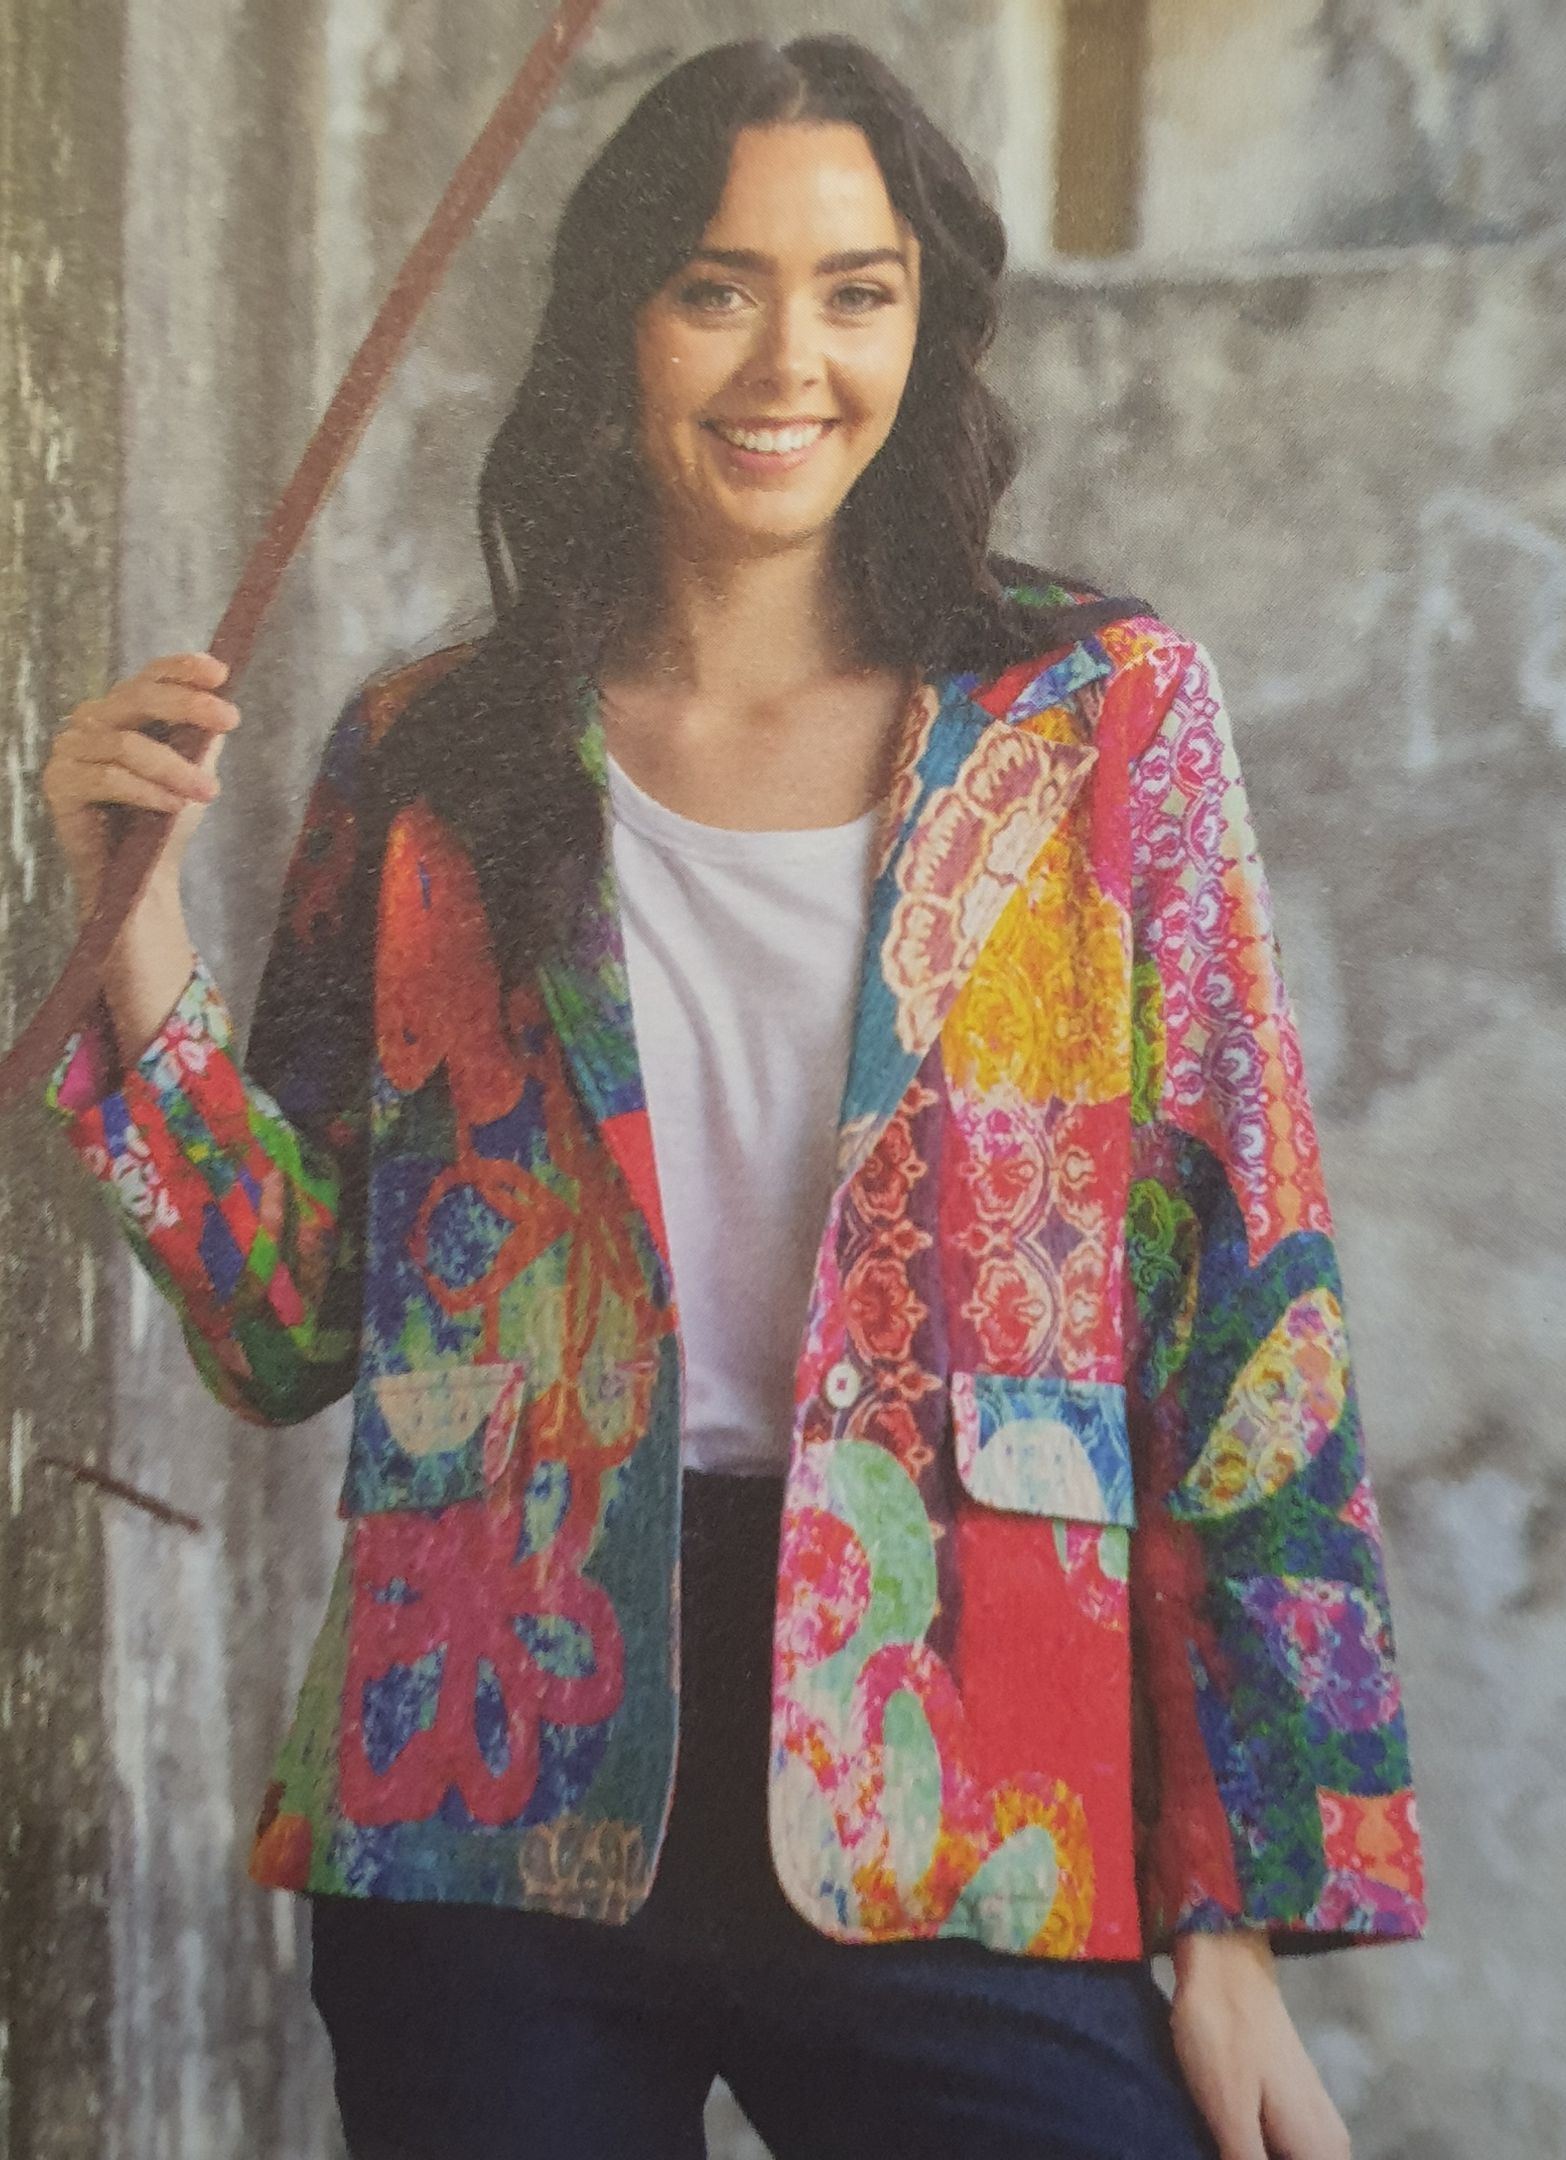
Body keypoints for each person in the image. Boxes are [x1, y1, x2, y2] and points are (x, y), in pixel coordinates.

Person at [40, 36, 1425, 2160]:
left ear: (925, 323)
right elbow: (286, 1323)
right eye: (719, 283)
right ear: (620, 318)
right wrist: (125, 924)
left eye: (856, 290)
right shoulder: (435, 750)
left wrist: (1224, 1917)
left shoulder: (1097, 722)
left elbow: (1246, 1318)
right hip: (488, 1787)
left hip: (972, 1750)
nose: (792, 357)